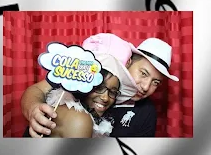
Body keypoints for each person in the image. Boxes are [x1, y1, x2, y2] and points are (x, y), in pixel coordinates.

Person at [22, 35, 179, 137]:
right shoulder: (81, 76)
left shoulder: (146, 113)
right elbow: (37, 90)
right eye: (143, 74)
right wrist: (33, 108)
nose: (145, 87)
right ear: (128, 62)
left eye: (155, 82)